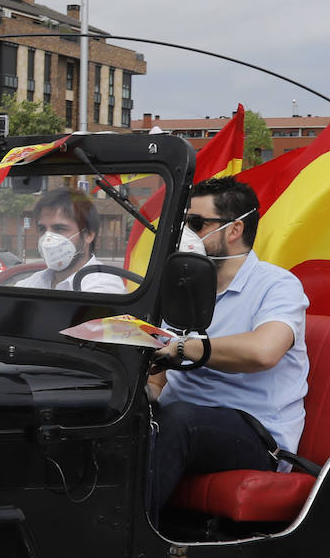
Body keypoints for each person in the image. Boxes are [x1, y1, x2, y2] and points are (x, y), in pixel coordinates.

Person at [147, 175, 309, 524]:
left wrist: (185, 347)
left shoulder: (277, 285)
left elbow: (264, 351)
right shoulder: (184, 285)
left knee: (178, 421)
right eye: (183, 222)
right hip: (183, 417)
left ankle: (128, 548)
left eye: (196, 223)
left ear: (234, 230)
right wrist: (143, 392)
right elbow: (158, 378)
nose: (185, 232)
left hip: (255, 432)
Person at [16, 189, 126, 293]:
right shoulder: (30, 284)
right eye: (42, 229)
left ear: (88, 235)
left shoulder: (105, 287)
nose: (47, 238)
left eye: (59, 229)